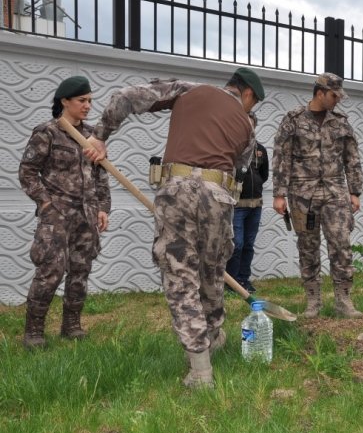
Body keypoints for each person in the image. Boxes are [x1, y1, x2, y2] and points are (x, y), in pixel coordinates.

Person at [84, 68, 265, 388]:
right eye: (254, 103)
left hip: (179, 190)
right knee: (211, 273)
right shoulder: (248, 127)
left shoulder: (189, 90)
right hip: (220, 198)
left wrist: (99, 135)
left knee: (181, 276)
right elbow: (240, 168)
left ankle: (200, 369)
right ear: (247, 93)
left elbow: (125, 98)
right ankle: (212, 336)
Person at [18, 76, 111, 349]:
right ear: (65, 101)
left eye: (90, 101)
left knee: (81, 270)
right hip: (56, 215)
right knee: (51, 270)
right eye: (82, 100)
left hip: (87, 214)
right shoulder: (47, 132)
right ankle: (34, 331)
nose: (88, 106)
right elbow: (27, 172)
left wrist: (103, 208)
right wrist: (45, 203)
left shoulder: (93, 137)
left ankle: (71, 325)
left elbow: (101, 176)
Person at [272, 73, 363, 318]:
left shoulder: (341, 122)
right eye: (334, 96)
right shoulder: (293, 120)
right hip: (303, 195)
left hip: (335, 193)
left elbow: (351, 159)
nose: (338, 100)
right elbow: (282, 157)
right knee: (308, 247)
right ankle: (313, 301)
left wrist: (354, 191)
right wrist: (279, 194)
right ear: (320, 93)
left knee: (341, 245)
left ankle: (343, 300)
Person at [226, 115, 269, 294]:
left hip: (255, 205)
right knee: (237, 244)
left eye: (251, 126)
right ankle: (231, 282)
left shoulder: (260, 150)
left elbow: (264, 175)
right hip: (237, 205)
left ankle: (244, 280)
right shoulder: (231, 148)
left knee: (249, 244)